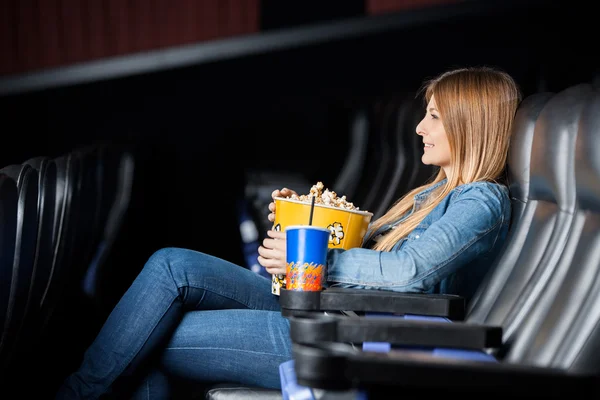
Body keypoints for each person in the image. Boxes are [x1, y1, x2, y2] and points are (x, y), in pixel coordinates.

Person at [56, 66, 522, 399]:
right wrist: (309, 220)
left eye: (435, 117)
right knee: (171, 263)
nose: (420, 127)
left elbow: (408, 273)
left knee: (144, 340)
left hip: (353, 335)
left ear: (469, 126)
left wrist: (317, 258)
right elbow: (373, 249)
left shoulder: (482, 200)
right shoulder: (434, 193)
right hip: (326, 310)